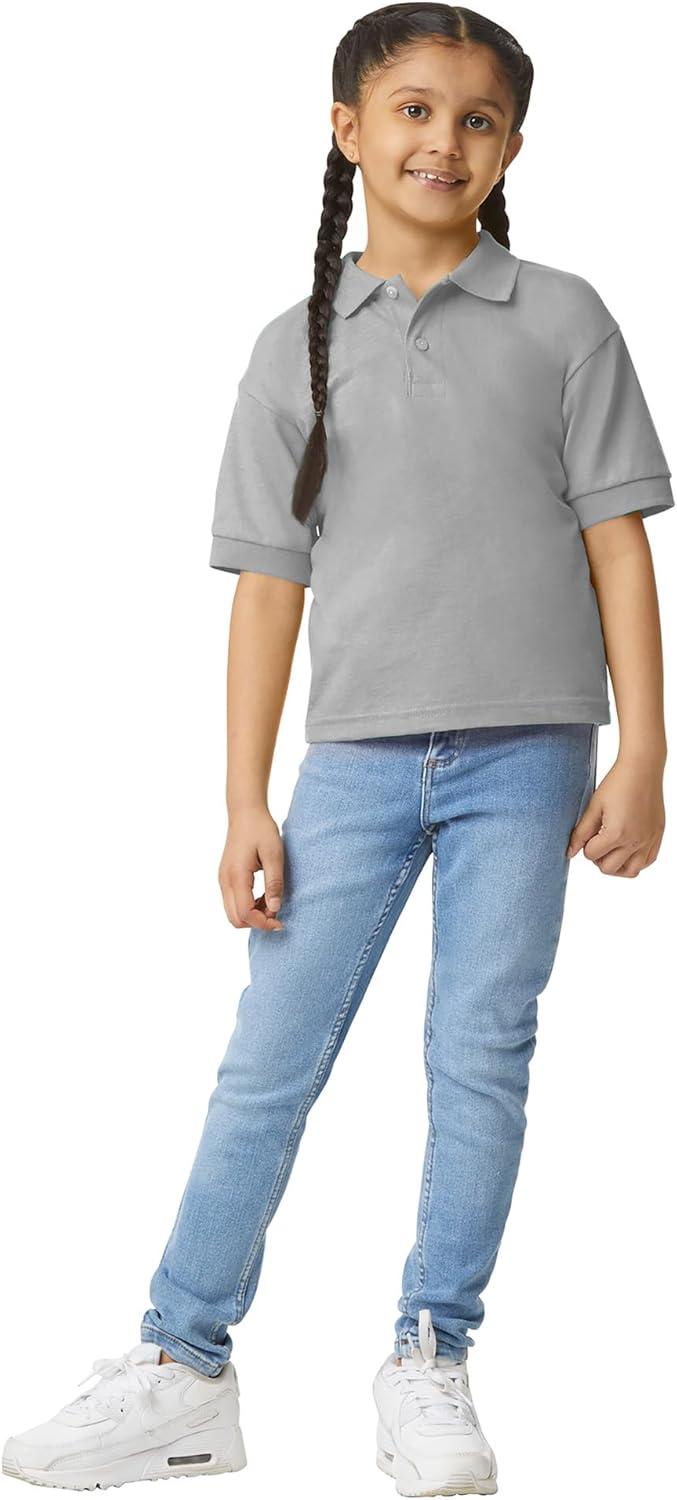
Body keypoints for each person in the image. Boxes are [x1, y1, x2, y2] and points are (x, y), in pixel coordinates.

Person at [3, 4, 673, 1495]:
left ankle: (431, 1352)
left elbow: (619, 546)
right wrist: (242, 798)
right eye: (414, 109)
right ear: (348, 129)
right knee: (268, 1063)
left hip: (531, 757)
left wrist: (644, 751)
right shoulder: (290, 348)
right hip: (353, 764)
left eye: (477, 118)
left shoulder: (563, 318)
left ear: (512, 147)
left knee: (479, 1055)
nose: (444, 140)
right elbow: (268, 585)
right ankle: (183, 1364)